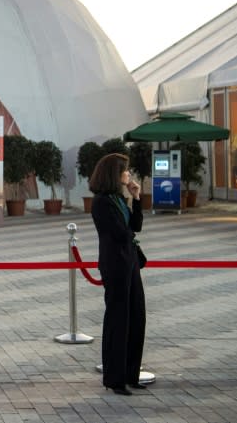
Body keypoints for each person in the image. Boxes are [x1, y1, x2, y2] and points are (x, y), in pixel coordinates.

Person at [89, 153, 146, 396]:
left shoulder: (119, 199)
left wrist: (136, 199)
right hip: (115, 264)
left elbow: (135, 226)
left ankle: (131, 374)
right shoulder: (102, 202)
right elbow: (121, 233)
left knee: (137, 316)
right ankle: (115, 378)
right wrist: (129, 234)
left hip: (130, 261)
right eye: (125, 171)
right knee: (118, 319)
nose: (128, 174)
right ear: (114, 173)